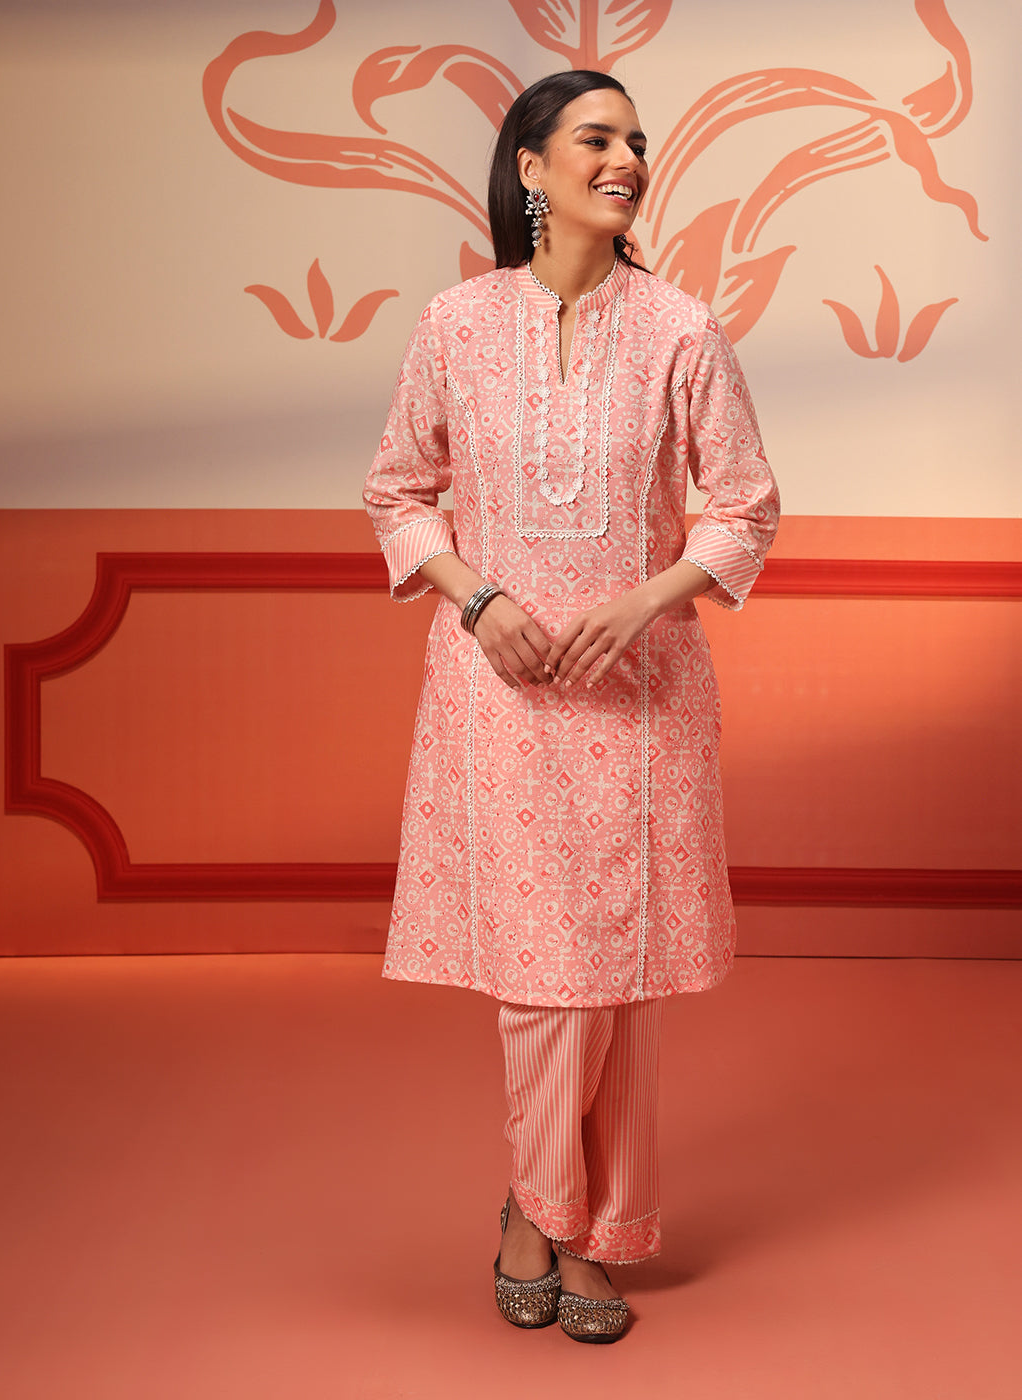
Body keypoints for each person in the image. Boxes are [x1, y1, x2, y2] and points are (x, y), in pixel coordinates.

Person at [363, 69, 780, 1343]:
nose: (627, 159)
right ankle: (561, 1212)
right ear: (531, 167)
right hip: (499, 695)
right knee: (546, 972)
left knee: (618, 968)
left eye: (636, 141)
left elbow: (744, 507)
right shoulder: (455, 324)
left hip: (642, 697)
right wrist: (477, 599)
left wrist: (646, 600)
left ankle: (573, 1222)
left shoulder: (681, 331)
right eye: (596, 138)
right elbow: (398, 491)